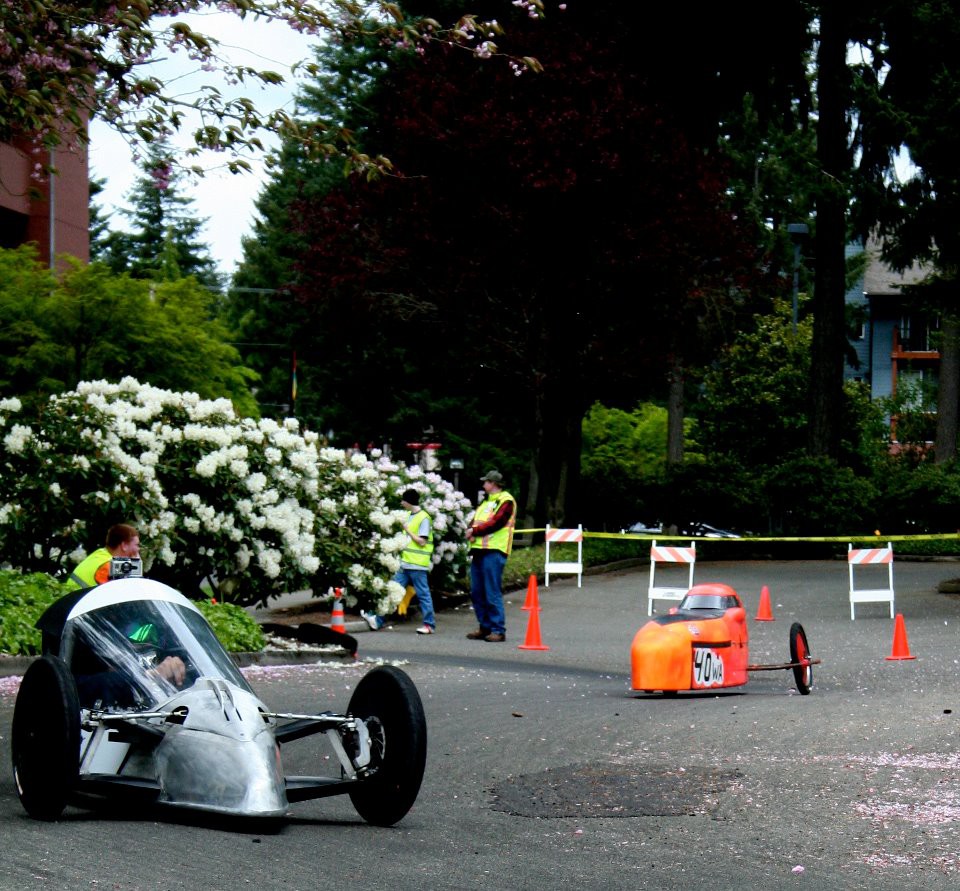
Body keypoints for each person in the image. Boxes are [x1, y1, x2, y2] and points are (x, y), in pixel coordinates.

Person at [362, 489, 437, 635]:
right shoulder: (408, 515)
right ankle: (377, 620)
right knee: (392, 591)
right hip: (405, 563)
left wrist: (407, 530)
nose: (401, 503)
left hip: (417, 564)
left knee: (423, 595)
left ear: (409, 501)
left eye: (403, 500)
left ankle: (429, 625)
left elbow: (422, 541)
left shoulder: (424, 518)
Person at [465, 470, 516, 642]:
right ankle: (485, 627)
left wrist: (474, 531)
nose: (483, 484)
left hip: (494, 550)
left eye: (486, 482)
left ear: (493, 483)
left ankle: (497, 630)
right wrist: (471, 530)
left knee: (491, 591)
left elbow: (497, 523)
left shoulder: (506, 501)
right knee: (477, 591)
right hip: (479, 550)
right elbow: (475, 521)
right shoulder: (486, 502)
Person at [63, 523, 140, 591]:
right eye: (136, 545)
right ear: (124, 546)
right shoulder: (109, 565)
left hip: (72, 599)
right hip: (80, 601)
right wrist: (136, 562)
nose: (138, 549)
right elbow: (133, 588)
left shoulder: (100, 554)